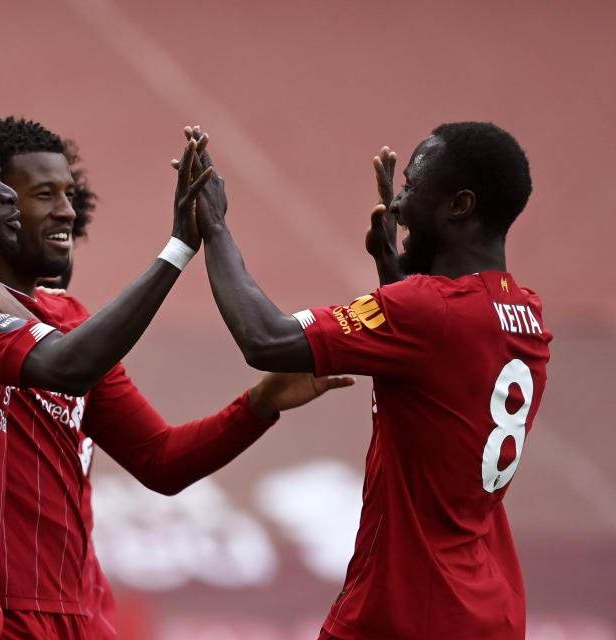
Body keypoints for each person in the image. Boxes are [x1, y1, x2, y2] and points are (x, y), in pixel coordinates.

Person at [0, 117, 354, 639]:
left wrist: (260, 403)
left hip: (73, 614)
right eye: (39, 192)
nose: (66, 211)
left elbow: (160, 460)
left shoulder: (66, 322)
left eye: (70, 194)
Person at [187, 122, 551, 640]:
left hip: (402, 611)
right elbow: (441, 363)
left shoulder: (426, 313)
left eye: (412, 185)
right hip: (489, 609)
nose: (397, 205)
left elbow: (265, 340)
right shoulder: (525, 311)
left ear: (459, 205)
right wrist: (392, 266)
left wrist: (215, 227)